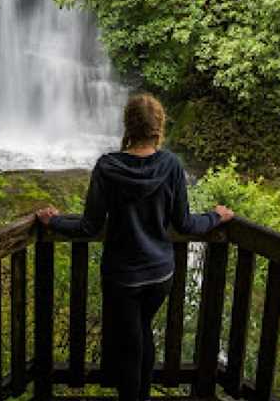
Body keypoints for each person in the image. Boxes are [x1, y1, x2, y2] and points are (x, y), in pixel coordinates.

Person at [36, 93, 233, 401]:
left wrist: (54, 222)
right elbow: (183, 224)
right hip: (159, 275)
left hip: (122, 275)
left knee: (131, 345)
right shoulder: (170, 165)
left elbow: (89, 225)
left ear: (127, 125)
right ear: (159, 127)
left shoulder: (107, 167)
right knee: (140, 333)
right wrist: (215, 217)